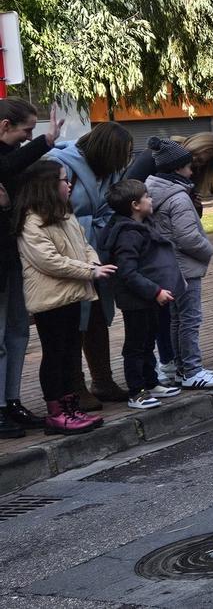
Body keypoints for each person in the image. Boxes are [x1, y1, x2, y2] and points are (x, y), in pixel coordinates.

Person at [14, 161, 113, 435]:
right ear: (47, 186)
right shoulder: (32, 221)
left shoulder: (65, 214)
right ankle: (56, 412)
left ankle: (71, 406)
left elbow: (84, 245)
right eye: (63, 180)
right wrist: (90, 271)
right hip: (50, 300)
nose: (69, 185)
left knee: (70, 354)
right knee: (55, 354)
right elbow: (48, 261)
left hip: (72, 295)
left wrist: (93, 263)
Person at [47, 122, 133, 408]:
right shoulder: (60, 164)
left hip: (97, 251)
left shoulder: (109, 171)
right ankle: (74, 385)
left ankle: (103, 380)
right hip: (68, 251)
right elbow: (50, 210)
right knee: (74, 320)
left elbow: (109, 206)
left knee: (97, 315)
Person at [0, 99, 65, 437]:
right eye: (26, 130)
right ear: (4, 126)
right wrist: (46, 141)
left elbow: (13, 172)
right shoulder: (8, 160)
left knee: (18, 333)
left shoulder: (12, 161)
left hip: (11, 257)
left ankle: (11, 401)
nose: (29, 138)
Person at [145, 137, 213, 389]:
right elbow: (188, 237)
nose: (193, 171)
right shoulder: (178, 198)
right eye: (189, 166)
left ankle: (181, 367)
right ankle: (192, 369)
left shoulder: (155, 191)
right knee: (189, 320)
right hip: (186, 268)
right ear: (178, 168)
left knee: (177, 320)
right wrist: (207, 250)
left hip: (170, 267)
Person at [103, 180, 185, 410]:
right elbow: (127, 272)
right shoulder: (128, 234)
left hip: (149, 298)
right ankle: (136, 390)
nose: (151, 199)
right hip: (136, 300)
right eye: (147, 197)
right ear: (135, 205)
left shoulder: (143, 226)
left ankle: (151, 381)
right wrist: (155, 290)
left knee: (149, 340)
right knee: (136, 344)